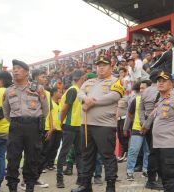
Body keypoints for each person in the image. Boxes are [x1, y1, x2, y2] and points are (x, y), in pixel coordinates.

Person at [72, 56, 124, 192]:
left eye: (104, 65)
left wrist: (92, 102)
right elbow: (80, 94)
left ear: (111, 68)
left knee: (107, 156)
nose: (100, 67)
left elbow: (114, 96)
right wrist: (86, 99)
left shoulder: (115, 81)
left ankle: (110, 186)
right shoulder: (89, 81)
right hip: (86, 125)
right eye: (98, 65)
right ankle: (85, 186)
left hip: (105, 126)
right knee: (86, 155)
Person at [3, 59, 49, 192]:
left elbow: (45, 110)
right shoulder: (8, 91)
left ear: (27, 72)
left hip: (33, 127)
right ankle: (12, 187)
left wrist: (33, 121)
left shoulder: (38, 89)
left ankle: (29, 187)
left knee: (32, 158)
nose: (15, 70)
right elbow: (6, 112)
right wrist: (17, 121)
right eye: (14, 68)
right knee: (12, 158)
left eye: (18, 68)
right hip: (16, 126)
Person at [146, 71, 174, 192]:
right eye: (158, 81)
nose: (160, 83)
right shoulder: (160, 100)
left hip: (170, 146)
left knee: (170, 179)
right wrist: (145, 126)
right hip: (158, 145)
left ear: (172, 84)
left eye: (164, 81)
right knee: (164, 178)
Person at [56, 69, 86, 188]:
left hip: (77, 126)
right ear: (81, 78)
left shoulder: (79, 91)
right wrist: (62, 123)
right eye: (84, 78)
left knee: (79, 153)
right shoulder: (73, 90)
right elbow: (64, 109)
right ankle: (59, 179)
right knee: (64, 152)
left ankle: (80, 178)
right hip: (69, 126)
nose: (85, 80)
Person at [139, 69, 163, 190]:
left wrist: (143, 123)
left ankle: (152, 179)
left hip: (147, 124)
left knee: (152, 152)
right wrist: (147, 125)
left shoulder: (145, 91)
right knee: (158, 152)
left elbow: (141, 109)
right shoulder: (161, 90)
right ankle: (154, 180)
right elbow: (156, 111)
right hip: (157, 124)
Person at [124, 81, 149, 181]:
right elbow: (129, 115)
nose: (141, 90)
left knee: (148, 152)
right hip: (137, 129)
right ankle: (129, 172)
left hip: (149, 130)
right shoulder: (136, 100)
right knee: (134, 151)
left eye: (144, 88)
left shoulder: (153, 99)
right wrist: (125, 128)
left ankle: (145, 171)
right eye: (141, 88)